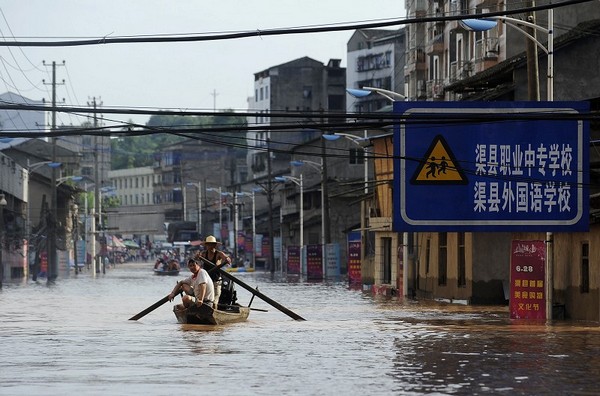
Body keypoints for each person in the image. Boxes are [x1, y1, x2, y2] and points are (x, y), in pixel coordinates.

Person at [195, 235, 231, 309]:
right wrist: (197, 256)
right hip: (206, 283)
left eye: (212, 244)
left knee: (214, 303)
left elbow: (226, 258)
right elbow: (196, 260)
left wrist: (227, 259)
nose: (210, 246)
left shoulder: (218, 254)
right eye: (208, 244)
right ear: (206, 245)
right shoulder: (204, 254)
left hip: (216, 282)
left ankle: (214, 314)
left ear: (215, 245)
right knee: (203, 301)